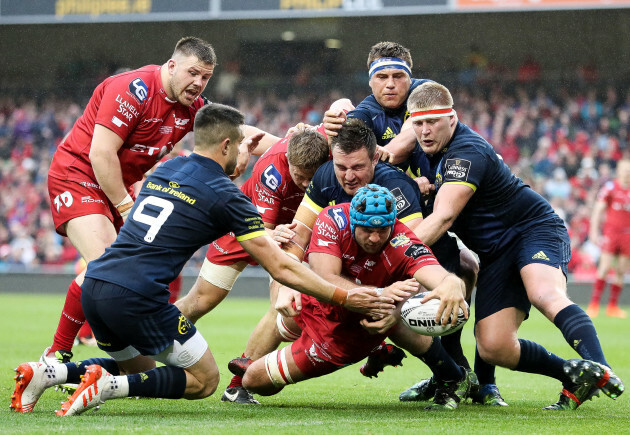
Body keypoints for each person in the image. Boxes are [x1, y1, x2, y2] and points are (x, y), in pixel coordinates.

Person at [10, 103, 394, 416]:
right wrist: (342, 296)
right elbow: (280, 265)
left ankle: (49, 372)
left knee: (143, 369)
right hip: (138, 298)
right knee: (204, 380)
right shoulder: (225, 195)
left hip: (95, 287)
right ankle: (106, 387)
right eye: (243, 144)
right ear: (226, 146)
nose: (249, 151)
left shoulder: (167, 168)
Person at [41, 36, 279, 365]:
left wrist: (288, 144)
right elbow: (100, 154)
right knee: (108, 267)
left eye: (206, 77)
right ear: (171, 66)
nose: (198, 83)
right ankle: (56, 355)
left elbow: (239, 132)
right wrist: (127, 206)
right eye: (193, 72)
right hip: (79, 175)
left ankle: (93, 371)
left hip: (118, 185)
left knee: (140, 362)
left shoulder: (191, 106)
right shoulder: (133, 89)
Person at [401, 80, 624, 410]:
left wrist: (397, 255)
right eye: (417, 123)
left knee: (544, 294)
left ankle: (601, 369)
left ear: (452, 118)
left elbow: (444, 218)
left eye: (432, 121)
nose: (424, 130)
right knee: (493, 346)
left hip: (534, 230)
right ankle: (572, 375)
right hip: (495, 253)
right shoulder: (424, 145)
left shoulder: (466, 152)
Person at [322, 41, 497, 405]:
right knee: (431, 283)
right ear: (369, 82)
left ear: (411, 77)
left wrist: (388, 159)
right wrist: (337, 114)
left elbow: (403, 140)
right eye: (381, 77)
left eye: (398, 76)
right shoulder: (364, 114)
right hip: (389, 223)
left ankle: (468, 378)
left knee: (455, 276)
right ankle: (453, 375)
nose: (390, 84)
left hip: (434, 218)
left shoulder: (426, 98)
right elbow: (349, 150)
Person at [235, 184, 472, 409]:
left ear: (392, 224)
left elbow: (437, 277)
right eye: (367, 230)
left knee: (255, 381)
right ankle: (234, 389)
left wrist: (452, 282)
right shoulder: (332, 219)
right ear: (353, 223)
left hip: (348, 333)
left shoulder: (403, 241)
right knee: (281, 310)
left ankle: (379, 349)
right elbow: (323, 278)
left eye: (382, 230)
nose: (375, 238)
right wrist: (381, 294)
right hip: (319, 301)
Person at [174, 127, 330, 403]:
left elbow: (342, 109)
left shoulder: (323, 148)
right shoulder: (272, 171)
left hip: (291, 238)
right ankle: (142, 346)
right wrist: (275, 234)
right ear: (289, 162)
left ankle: (237, 388)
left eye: (312, 177)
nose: (306, 184)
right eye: (300, 177)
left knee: (283, 310)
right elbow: (261, 235)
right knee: (199, 302)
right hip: (246, 230)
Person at [586, 158, 630, 318]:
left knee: (621, 271)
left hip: (628, 235)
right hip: (612, 233)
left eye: (629, 170)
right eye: (624, 170)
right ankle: (594, 304)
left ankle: (612, 306)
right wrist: (594, 231)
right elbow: (598, 210)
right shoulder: (611, 187)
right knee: (604, 268)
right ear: (618, 171)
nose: (627, 173)